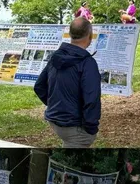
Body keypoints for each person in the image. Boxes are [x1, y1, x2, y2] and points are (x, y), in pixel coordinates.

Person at [34, 17, 101, 148]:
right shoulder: (87, 63)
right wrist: (91, 127)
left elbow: (39, 86)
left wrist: (56, 106)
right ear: (90, 35)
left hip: (55, 120)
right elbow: (91, 98)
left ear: (70, 35)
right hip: (75, 126)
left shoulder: (56, 57)